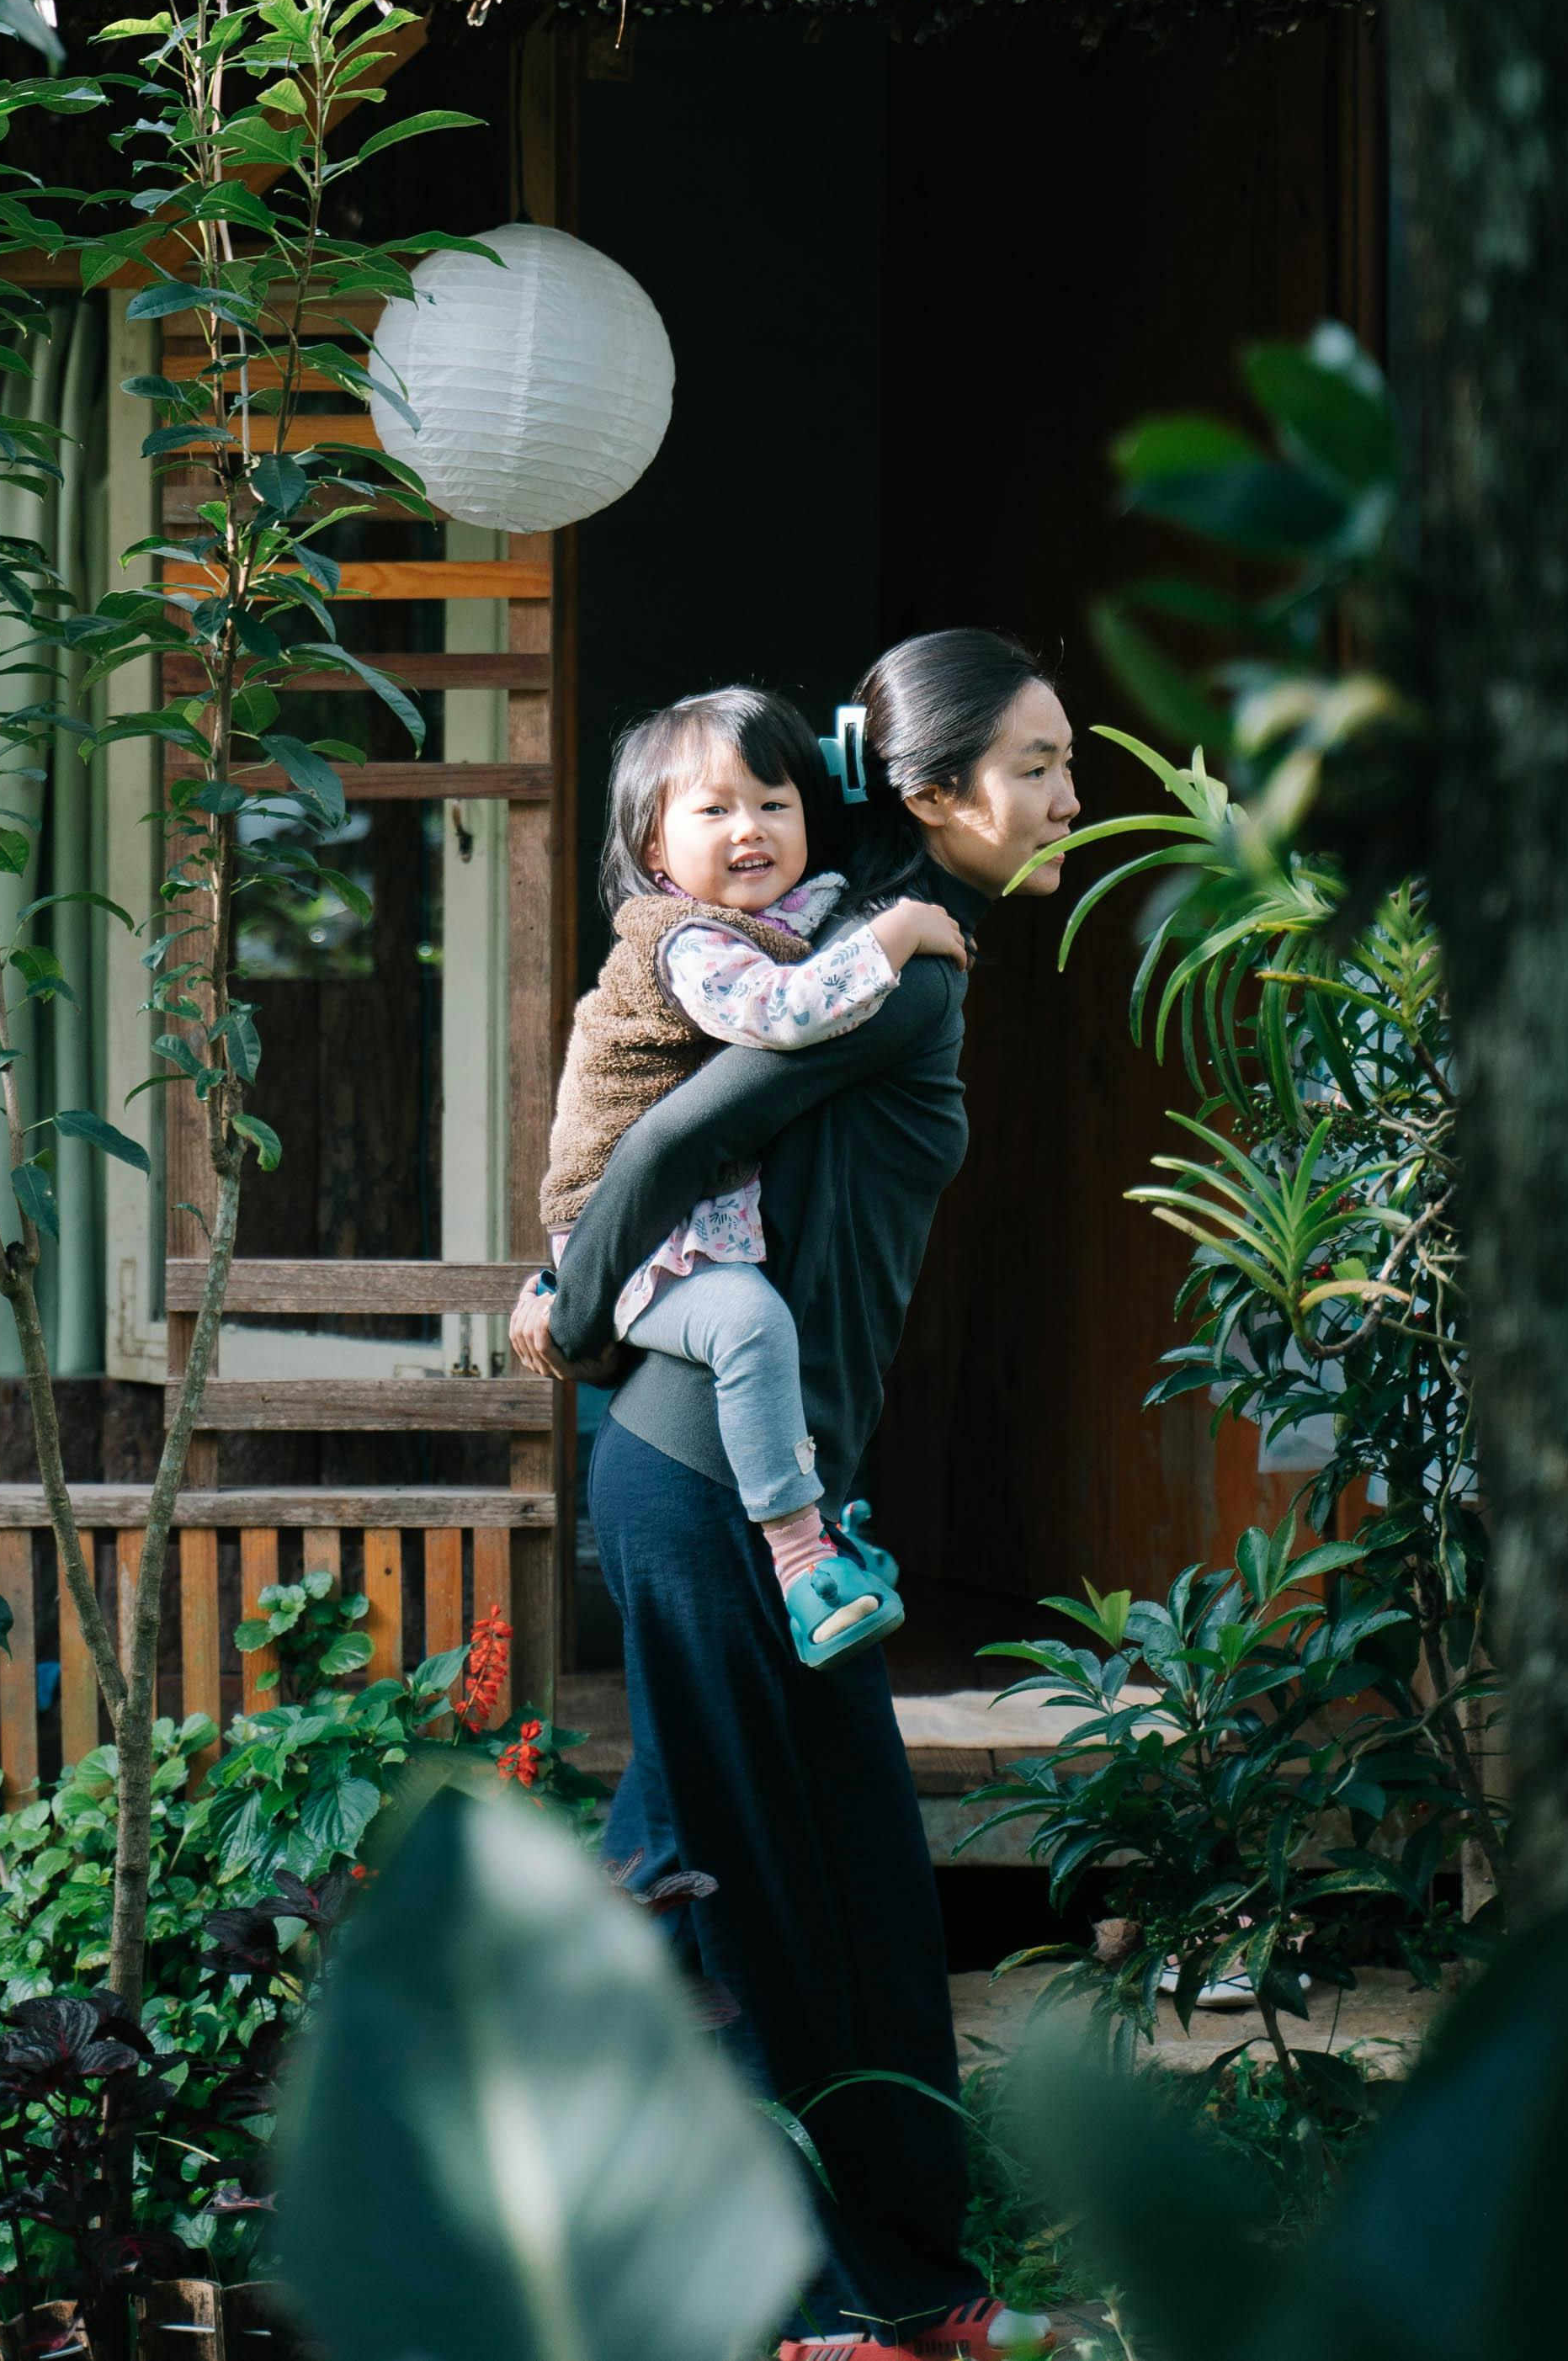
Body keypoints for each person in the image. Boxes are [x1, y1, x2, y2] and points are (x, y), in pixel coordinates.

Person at [511, 630, 1079, 2361]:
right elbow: (670, 1143)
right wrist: (575, 1309)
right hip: (693, 1463)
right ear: (934, 789)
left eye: (1068, 758)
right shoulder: (884, 962)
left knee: (817, 1873)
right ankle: (809, 2294)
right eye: (1040, 764)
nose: (1072, 794)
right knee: (751, 1878)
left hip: (768, 1474)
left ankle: (895, 2286)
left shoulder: (868, 936)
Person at [537, 684, 968, 1667]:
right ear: (654, 852)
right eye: (713, 809)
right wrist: (897, 936)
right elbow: (781, 1012)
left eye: (775, 803)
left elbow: (839, 904)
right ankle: (797, 1554)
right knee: (747, 1322)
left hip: (685, 1221)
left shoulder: (786, 910)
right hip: (623, 1227)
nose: (751, 829)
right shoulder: (681, 938)